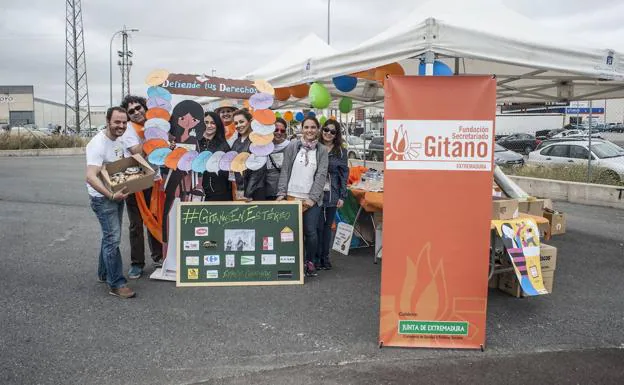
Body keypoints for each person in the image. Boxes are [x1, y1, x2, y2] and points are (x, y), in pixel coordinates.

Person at [85, 107, 134, 298]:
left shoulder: (118, 139)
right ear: (107, 121)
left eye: (124, 122)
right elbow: (90, 176)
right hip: (104, 199)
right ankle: (116, 283)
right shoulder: (97, 143)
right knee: (113, 239)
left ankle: (104, 273)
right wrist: (111, 195)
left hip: (116, 195)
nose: (121, 126)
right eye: (117, 122)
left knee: (109, 237)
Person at [277, 116, 328, 277]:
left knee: (311, 232)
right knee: (289, 232)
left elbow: (321, 175)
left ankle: (309, 261)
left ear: (318, 129)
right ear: (302, 129)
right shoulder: (293, 146)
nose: (310, 130)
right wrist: (281, 193)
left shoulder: (322, 151)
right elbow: (285, 170)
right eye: (306, 127)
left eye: (313, 127)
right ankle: (291, 263)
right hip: (291, 196)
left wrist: (312, 198)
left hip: (310, 199)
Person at [120, 95, 164, 279]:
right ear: (128, 116)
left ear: (145, 107)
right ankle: (137, 263)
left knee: (155, 217)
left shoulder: (157, 123)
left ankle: (159, 257)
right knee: (136, 224)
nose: (136, 112)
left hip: (155, 178)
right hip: (134, 178)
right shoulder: (128, 128)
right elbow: (136, 151)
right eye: (131, 111)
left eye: (139, 108)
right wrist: (154, 136)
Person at [316, 119, 349, 270]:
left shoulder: (341, 151)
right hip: (315, 191)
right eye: (326, 130)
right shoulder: (314, 147)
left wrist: (342, 195)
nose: (328, 133)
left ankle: (325, 257)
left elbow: (344, 174)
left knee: (328, 226)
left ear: (336, 135)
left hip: (333, 192)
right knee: (316, 227)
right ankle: (315, 257)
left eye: (332, 131)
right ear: (322, 130)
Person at [230, 109, 266, 201]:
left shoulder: (258, 141)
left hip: (255, 191)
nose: (239, 125)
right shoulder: (236, 143)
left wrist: (247, 193)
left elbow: (258, 171)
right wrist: (238, 190)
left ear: (250, 122)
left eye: (241, 122)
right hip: (240, 191)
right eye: (236, 123)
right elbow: (234, 169)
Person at [199, 111, 232, 201]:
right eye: (206, 122)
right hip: (197, 192)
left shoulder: (224, 145)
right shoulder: (195, 143)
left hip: (219, 193)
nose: (209, 126)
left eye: (213, 123)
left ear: (218, 125)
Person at [265, 117, 290, 200]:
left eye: (282, 131)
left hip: (284, 192)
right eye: (276, 129)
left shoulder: (290, 146)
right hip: (267, 191)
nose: (279, 132)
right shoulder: (263, 147)